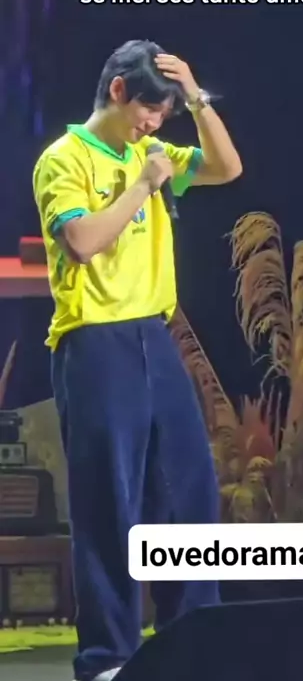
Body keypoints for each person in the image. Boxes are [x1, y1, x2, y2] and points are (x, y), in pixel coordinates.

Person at [32, 39, 242, 681]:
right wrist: (144, 184)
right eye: (150, 110)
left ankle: (193, 642)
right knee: (109, 504)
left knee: (188, 491)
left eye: (165, 116)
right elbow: (82, 240)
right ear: (119, 91)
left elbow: (226, 167)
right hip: (95, 342)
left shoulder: (151, 152)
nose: (154, 125)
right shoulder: (65, 158)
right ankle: (109, 659)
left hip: (155, 335)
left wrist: (197, 98)